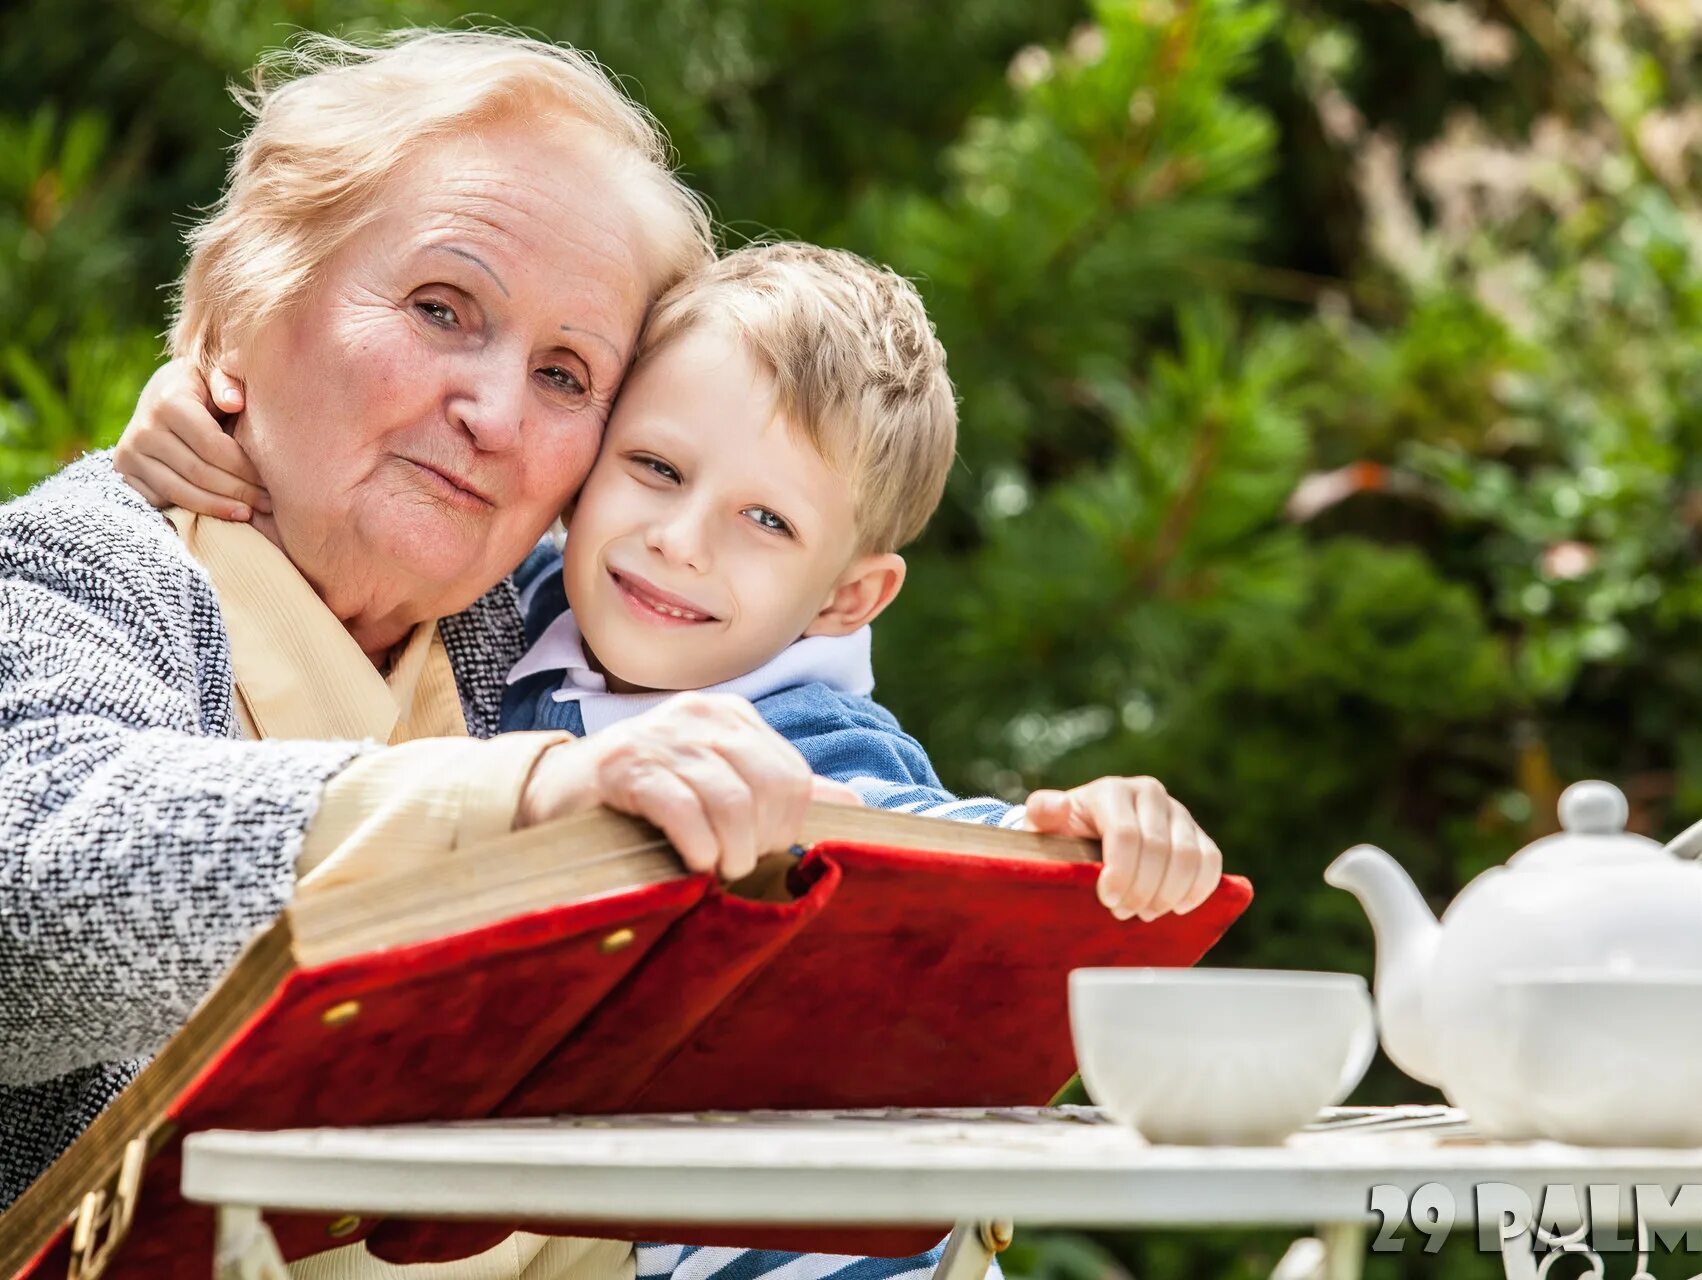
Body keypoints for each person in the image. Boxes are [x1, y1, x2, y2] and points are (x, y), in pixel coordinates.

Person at [0, 29, 810, 1280]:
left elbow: (822, 721)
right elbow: (37, 885)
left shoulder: (547, 629)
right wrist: (525, 800)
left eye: (564, 372)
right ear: (235, 313)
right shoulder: (77, 569)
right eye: (442, 309)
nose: (493, 413)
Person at [128, 241, 1227, 923]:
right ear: (581, 468)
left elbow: (932, 862)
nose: (679, 541)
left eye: (765, 519)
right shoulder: (526, 608)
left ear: (848, 597)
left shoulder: (816, 741)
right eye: (654, 468)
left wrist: (1090, 838)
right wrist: (207, 404)